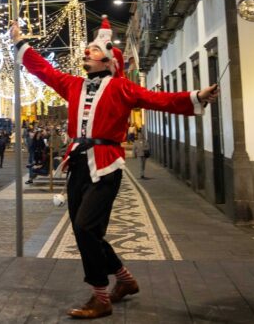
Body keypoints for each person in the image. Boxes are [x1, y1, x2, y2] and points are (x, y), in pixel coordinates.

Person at [12, 16, 218, 319]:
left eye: (94, 50)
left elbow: (156, 99)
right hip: (78, 163)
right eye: (88, 49)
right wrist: (20, 42)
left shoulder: (122, 87)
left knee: (85, 228)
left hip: (106, 166)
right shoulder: (73, 85)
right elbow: (44, 69)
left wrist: (196, 96)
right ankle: (124, 280)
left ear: (109, 60)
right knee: (86, 231)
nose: (86, 52)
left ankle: (100, 298)